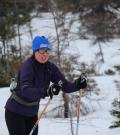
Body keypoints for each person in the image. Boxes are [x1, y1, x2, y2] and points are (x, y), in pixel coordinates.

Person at [5, 35, 87, 135]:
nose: (45, 54)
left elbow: (64, 85)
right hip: (15, 112)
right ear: (35, 51)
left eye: (47, 51)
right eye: (42, 50)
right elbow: (26, 90)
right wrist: (47, 91)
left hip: (31, 114)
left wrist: (77, 85)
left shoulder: (50, 68)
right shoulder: (28, 67)